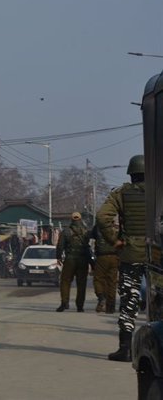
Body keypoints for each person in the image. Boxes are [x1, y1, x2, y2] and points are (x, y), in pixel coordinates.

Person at [96, 154, 146, 362]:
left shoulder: (121, 193)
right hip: (158, 254)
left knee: (129, 301)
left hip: (131, 253)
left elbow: (101, 216)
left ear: (131, 173)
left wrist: (115, 239)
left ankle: (125, 349)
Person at [55, 212, 90, 312]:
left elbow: (60, 245)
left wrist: (58, 257)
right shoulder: (86, 231)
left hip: (70, 259)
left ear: (71, 219)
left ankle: (64, 303)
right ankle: (80, 306)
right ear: (80, 219)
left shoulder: (66, 231)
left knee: (65, 281)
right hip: (83, 259)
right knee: (81, 283)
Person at [91, 224, 118, 313]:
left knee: (98, 279)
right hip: (115, 257)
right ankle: (111, 307)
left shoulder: (98, 227)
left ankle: (101, 297)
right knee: (112, 282)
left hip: (102, 257)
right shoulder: (116, 227)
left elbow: (91, 235)